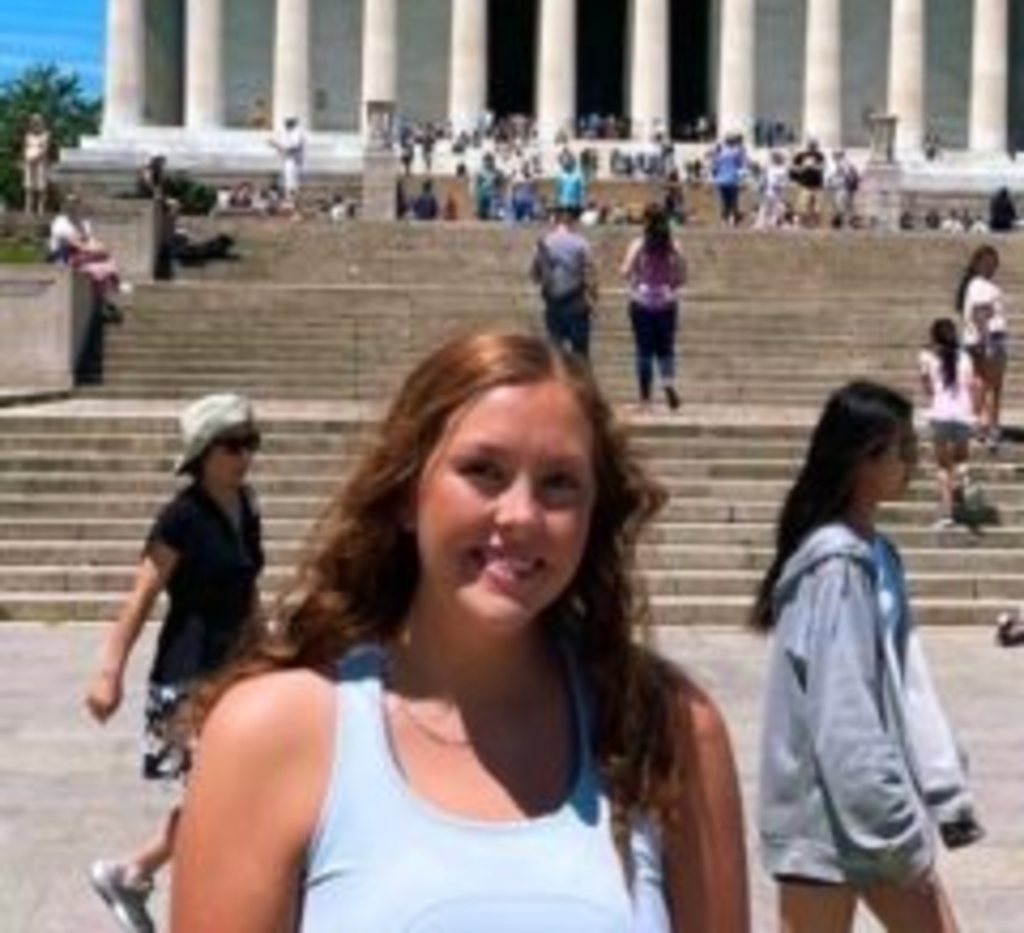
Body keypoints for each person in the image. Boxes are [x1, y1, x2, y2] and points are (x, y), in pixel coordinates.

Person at [171, 330, 750, 933]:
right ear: (405, 495)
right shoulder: (272, 735)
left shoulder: (669, 728)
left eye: (560, 483)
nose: (521, 515)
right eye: (483, 471)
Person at [751, 381, 983, 933]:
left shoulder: (876, 555)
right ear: (863, 458)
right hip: (828, 823)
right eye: (901, 448)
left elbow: (908, 683)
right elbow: (843, 709)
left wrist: (943, 791)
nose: (913, 461)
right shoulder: (835, 565)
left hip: (870, 813)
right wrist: (894, 827)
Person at [85, 393, 264, 933]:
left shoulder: (247, 505)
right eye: (234, 445)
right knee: (220, 799)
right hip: (185, 677)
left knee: (226, 797)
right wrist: (109, 672)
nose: (245, 455)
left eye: (251, 442)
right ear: (204, 452)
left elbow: (247, 587)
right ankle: (152, 881)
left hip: (235, 672)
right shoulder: (181, 518)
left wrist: (270, 645)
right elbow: (140, 597)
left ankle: (131, 873)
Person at [620, 203, 687, 412]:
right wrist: (671, 284)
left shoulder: (639, 244)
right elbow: (682, 276)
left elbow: (625, 271)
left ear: (646, 221)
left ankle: (646, 401)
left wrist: (634, 278)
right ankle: (667, 384)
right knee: (666, 349)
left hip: (642, 300)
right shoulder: (674, 244)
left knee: (644, 351)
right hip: (667, 301)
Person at [918, 318, 978, 528]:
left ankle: (946, 514)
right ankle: (964, 477)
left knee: (943, 466)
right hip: (963, 414)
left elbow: (927, 388)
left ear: (934, 337)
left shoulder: (927, 357)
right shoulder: (965, 357)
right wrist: (974, 412)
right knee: (961, 459)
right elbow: (973, 385)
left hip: (940, 414)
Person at [955, 244, 1008, 450]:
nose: (994, 267)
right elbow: (980, 313)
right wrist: (988, 343)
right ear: (979, 264)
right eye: (990, 263)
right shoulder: (982, 285)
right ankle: (991, 427)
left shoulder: (971, 285)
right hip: (989, 339)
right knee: (993, 387)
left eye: (995, 263)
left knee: (981, 384)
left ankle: (977, 424)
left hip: (974, 340)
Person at [531, 206, 597, 359]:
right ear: (572, 222)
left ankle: (560, 381)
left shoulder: (544, 243)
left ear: (556, 221)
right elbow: (590, 274)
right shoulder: (581, 243)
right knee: (580, 351)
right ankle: (581, 381)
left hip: (553, 303)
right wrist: (593, 298)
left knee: (556, 351)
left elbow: (534, 275)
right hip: (576, 301)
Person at [48, 193, 126, 322]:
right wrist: (96, 248)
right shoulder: (60, 223)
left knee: (105, 261)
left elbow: (91, 242)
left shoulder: (84, 223)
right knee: (97, 263)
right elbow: (76, 244)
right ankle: (105, 300)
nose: (73, 206)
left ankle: (105, 298)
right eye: (70, 203)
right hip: (64, 256)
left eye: (75, 203)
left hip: (81, 254)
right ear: (65, 206)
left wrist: (100, 248)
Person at [270, 117, 306, 210]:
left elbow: (292, 147)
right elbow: (284, 148)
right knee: (288, 182)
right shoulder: (287, 134)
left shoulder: (297, 133)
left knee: (292, 182)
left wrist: (277, 145)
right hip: (288, 160)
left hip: (293, 161)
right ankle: (289, 201)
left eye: (288, 124)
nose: (286, 126)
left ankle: (293, 202)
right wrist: (276, 146)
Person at [21, 112, 52, 215]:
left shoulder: (46, 134)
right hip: (29, 162)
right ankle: (28, 208)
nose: (35, 123)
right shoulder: (28, 135)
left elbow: (45, 149)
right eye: (34, 121)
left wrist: (36, 157)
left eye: (37, 121)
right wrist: (26, 159)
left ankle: (40, 209)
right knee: (28, 186)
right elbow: (25, 147)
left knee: (41, 186)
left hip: (41, 163)